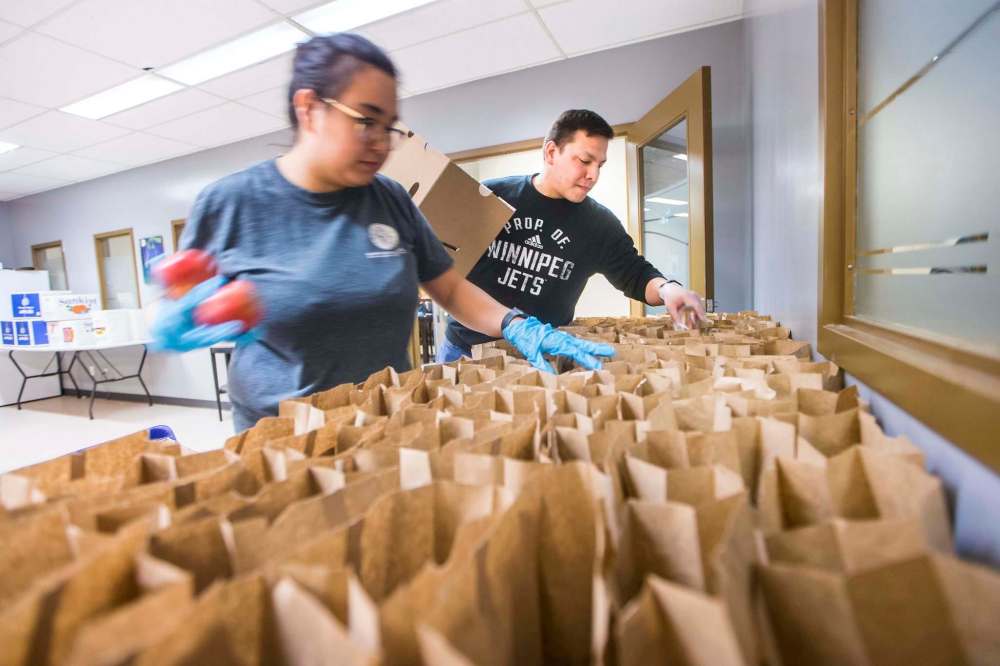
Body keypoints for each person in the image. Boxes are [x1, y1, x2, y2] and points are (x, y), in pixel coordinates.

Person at [151, 33, 613, 432]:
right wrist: (182, 319)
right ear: (309, 108)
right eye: (365, 121)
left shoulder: (390, 199)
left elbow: (449, 287)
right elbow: (183, 303)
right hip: (281, 438)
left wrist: (517, 325)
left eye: (388, 127)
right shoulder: (232, 203)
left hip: (384, 423)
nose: (380, 142)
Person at [438, 109, 706, 362]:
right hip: (465, 350)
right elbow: (442, 268)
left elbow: (635, 274)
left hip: (542, 356)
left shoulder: (598, 224)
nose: (593, 175)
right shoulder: (491, 197)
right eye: (584, 161)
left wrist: (668, 288)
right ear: (552, 152)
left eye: (600, 165)